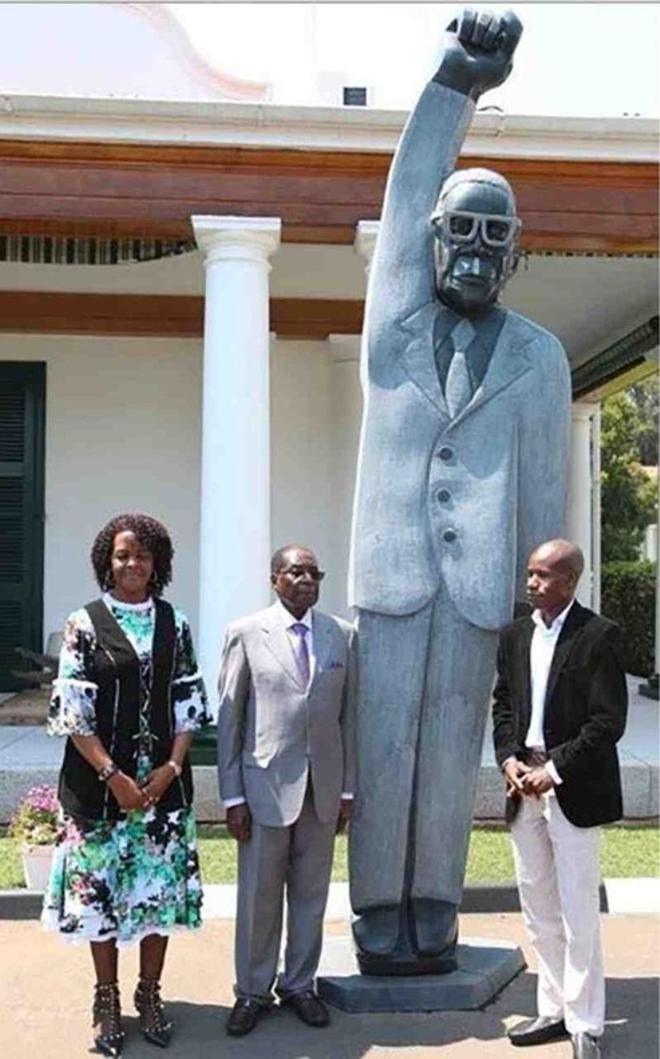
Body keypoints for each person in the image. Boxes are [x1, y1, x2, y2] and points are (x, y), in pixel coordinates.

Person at [347, 8, 571, 973]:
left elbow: (550, 499)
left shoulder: (541, 356)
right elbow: (403, 201)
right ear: (432, 241)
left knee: (447, 760)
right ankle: (374, 910)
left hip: (483, 592)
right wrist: (454, 87)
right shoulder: (394, 322)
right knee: (386, 746)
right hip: (393, 579)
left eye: (495, 236)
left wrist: (545, 620)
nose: (475, 249)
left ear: (517, 251)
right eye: (459, 230)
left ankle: (433, 903)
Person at [43, 513, 210, 1057]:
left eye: (142, 555)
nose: (132, 563)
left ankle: (151, 994)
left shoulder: (175, 623)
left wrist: (170, 768)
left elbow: (189, 703)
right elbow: (73, 714)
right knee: (103, 897)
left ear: (157, 563)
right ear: (105, 562)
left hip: (161, 792)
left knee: (157, 896)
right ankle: (107, 999)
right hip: (99, 793)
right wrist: (113, 775)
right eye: (122, 555)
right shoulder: (84, 624)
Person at [492, 539, 627, 1059]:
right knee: (538, 908)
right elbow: (503, 706)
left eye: (543, 576)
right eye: (530, 574)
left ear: (569, 581)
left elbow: (607, 722)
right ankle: (553, 1008)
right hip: (520, 785)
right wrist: (509, 759)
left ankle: (585, 1024)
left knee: (577, 912)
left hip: (572, 789)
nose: (532, 583)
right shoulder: (515, 634)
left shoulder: (599, 636)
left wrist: (554, 771)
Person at [217, 545, 355, 1036]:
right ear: (275, 578)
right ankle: (252, 991)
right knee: (259, 896)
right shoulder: (247, 633)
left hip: (322, 790)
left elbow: (349, 719)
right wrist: (231, 797)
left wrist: (348, 791)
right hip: (263, 790)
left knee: (311, 895)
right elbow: (230, 721)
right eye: (296, 571)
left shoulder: (341, 635)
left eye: (314, 572)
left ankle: (299, 985)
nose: (307, 579)